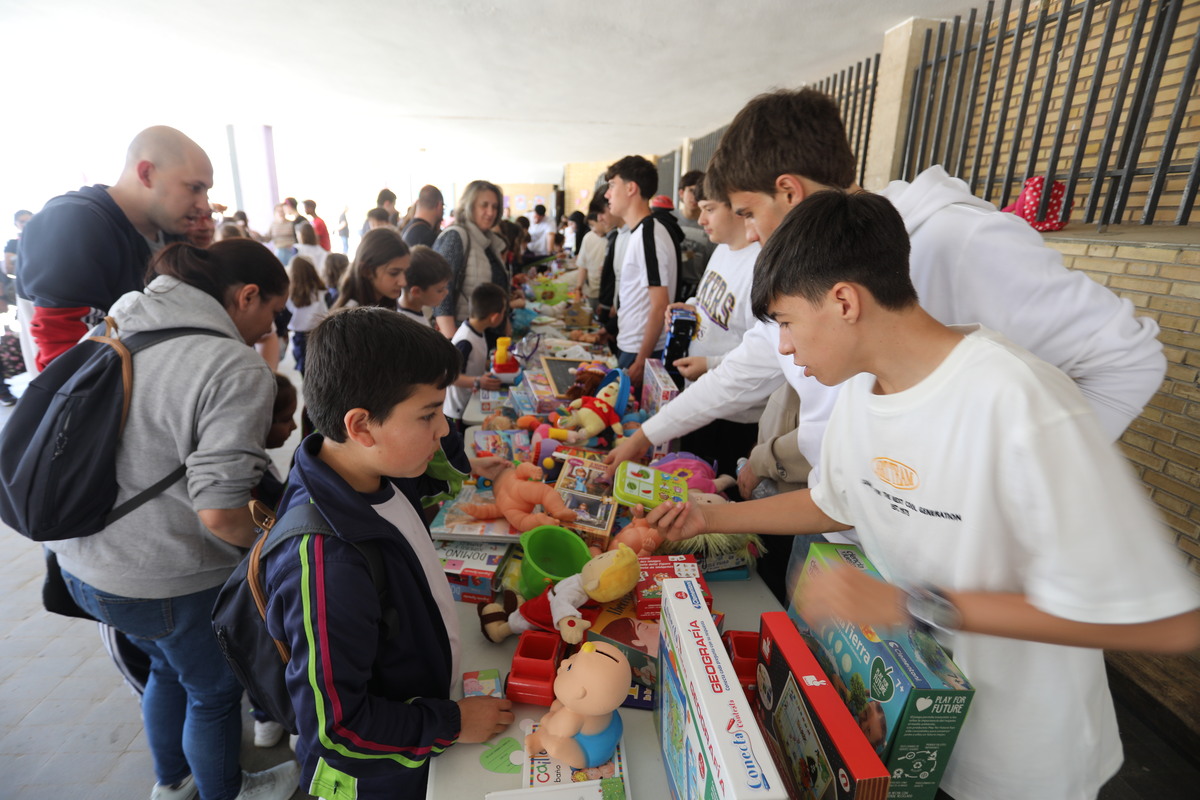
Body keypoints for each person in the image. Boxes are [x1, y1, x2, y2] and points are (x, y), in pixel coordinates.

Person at [648, 189, 1200, 800]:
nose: (784, 347)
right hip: (912, 733)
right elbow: (838, 501)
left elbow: (1169, 625)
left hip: (1017, 762)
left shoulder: (1019, 402)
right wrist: (710, 516)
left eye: (785, 322)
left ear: (843, 301)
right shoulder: (863, 390)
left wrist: (911, 606)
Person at [606, 88, 1165, 600]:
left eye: (750, 213)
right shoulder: (859, 381)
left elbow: (1128, 358)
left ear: (789, 191)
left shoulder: (961, 251)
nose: (748, 233)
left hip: (950, 575)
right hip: (854, 537)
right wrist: (657, 436)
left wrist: (992, 500)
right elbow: (773, 383)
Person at [48, 238, 300, 800]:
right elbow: (220, 511)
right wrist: (279, 545)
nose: (269, 328)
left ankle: (175, 781)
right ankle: (227, 792)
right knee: (211, 692)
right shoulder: (232, 365)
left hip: (79, 559)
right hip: (160, 573)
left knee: (166, 671)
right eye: (271, 312)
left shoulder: (123, 319)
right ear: (247, 295)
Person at [263, 308, 514, 798]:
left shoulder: (372, 470)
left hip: (421, 717)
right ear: (361, 427)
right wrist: (451, 722)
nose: (443, 429)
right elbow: (338, 729)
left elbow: (436, 469)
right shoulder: (326, 563)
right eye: (428, 415)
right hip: (383, 776)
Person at [17, 126, 213, 373]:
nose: (203, 204)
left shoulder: (170, 231)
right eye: (194, 188)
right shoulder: (73, 222)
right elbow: (66, 361)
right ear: (146, 173)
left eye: (207, 190)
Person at [665, 170, 763, 481]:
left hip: (734, 412)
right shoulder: (721, 249)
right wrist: (689, 307)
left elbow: (763, 350)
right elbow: (708, 301)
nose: (701, 219)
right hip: (703, 394)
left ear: (736, 207)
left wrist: (710, 364)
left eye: (709, 209)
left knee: (714, 488)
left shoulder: (759, 262)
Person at [604, 156, 677, 385]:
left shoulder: (649, 235)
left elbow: (659, 305)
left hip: (641, 350)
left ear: (630, 188)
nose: (607, 194)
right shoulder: (639, 233)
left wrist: (641, 360)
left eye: (612, 185)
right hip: (633, 345)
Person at [431, 179, 508, 338]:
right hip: (463, 336)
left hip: (485, 336)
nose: (490, 212)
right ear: (469, 205)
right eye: (484, 205)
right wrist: (452, 343)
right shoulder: (456, 237)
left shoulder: (489, 242)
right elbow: (441, 293)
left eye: (494, 207)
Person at [443, 283, 507, 429]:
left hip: (470, 399)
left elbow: (472, 360)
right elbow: (451, 376)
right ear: (495, 317)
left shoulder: (477, 329)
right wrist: (478, 381)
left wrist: (491, 363)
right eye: (504, 312)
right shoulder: (465, 340)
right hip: (458, 409)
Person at [331, 227, 409, 311]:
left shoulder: (384, 301)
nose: (403, 282)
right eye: (393, 273)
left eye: (406, 272)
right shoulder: (351, 318)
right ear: (366, 271)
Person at [285, 255, 327, 375]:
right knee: (320, 365)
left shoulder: (289, 295)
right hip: (319, 332)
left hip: (300, 335)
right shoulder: (321, 291)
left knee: (304, 367)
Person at [399, 245, 451, 328]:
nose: (446, 292)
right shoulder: (407, 325)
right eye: (440, 290)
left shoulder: (416, 313)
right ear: (416, 291)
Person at [574, 196, 611, 305]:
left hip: (608, 293)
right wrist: (578, 287)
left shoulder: (613, 238)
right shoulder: (588, 237)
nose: (592, 229)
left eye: (593, 225)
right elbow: (582, 265)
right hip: (592, 291)